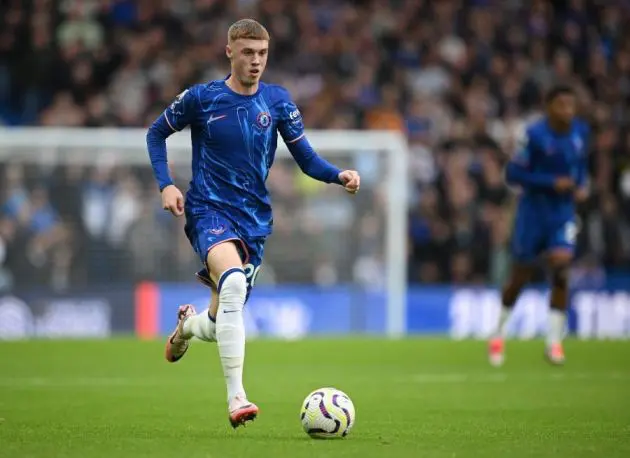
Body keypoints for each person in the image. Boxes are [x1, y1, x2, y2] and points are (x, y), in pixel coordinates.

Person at [145, 19, 360, 427]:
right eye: (247, 52)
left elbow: (307, 160)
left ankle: (186, 329)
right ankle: (237, 398)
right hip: (208, 210)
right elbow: (156, 134)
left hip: (253, 221)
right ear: (230, 52)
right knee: (233, 284)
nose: (256, 60)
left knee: (220, 317)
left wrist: (339, 175)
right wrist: (166, 185)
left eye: (262, 53)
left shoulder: (278, 101)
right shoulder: (202, 98)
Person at [488, 84, 588, 366]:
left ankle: (554, 342)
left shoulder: (580, 132)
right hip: (532, 214)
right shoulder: (533, 135)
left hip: (562, 213)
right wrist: (551, 182)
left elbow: (580, 167)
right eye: (562, 105)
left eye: (571, 105)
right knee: (520, 277)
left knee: (562, 269)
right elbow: (514, 172)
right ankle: (498, 332)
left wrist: (580, 185)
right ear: (549, 107)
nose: (568, 111)